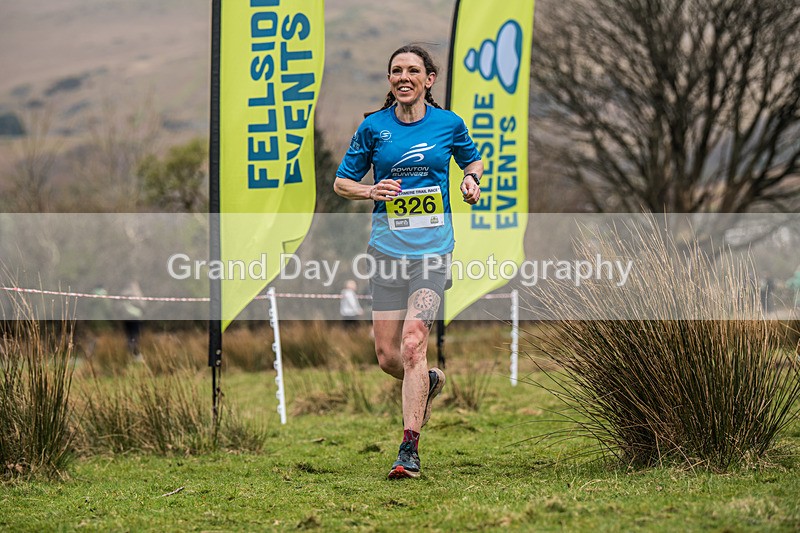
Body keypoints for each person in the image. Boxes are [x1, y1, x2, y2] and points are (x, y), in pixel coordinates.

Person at [333, 44, 483, 479]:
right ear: (389, 80)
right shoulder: (372, 128)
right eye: (396, 70)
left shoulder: (448, 124)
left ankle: (408, 450)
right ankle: (429, 381)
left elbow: (471, 159)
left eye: (413, 70)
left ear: (428, 79)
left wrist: (471, 181)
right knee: (388, 357)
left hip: (433, 250)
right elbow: (342, 182)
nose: (404, 76)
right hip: (387, 251)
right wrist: (370, 191)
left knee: (414, 343)